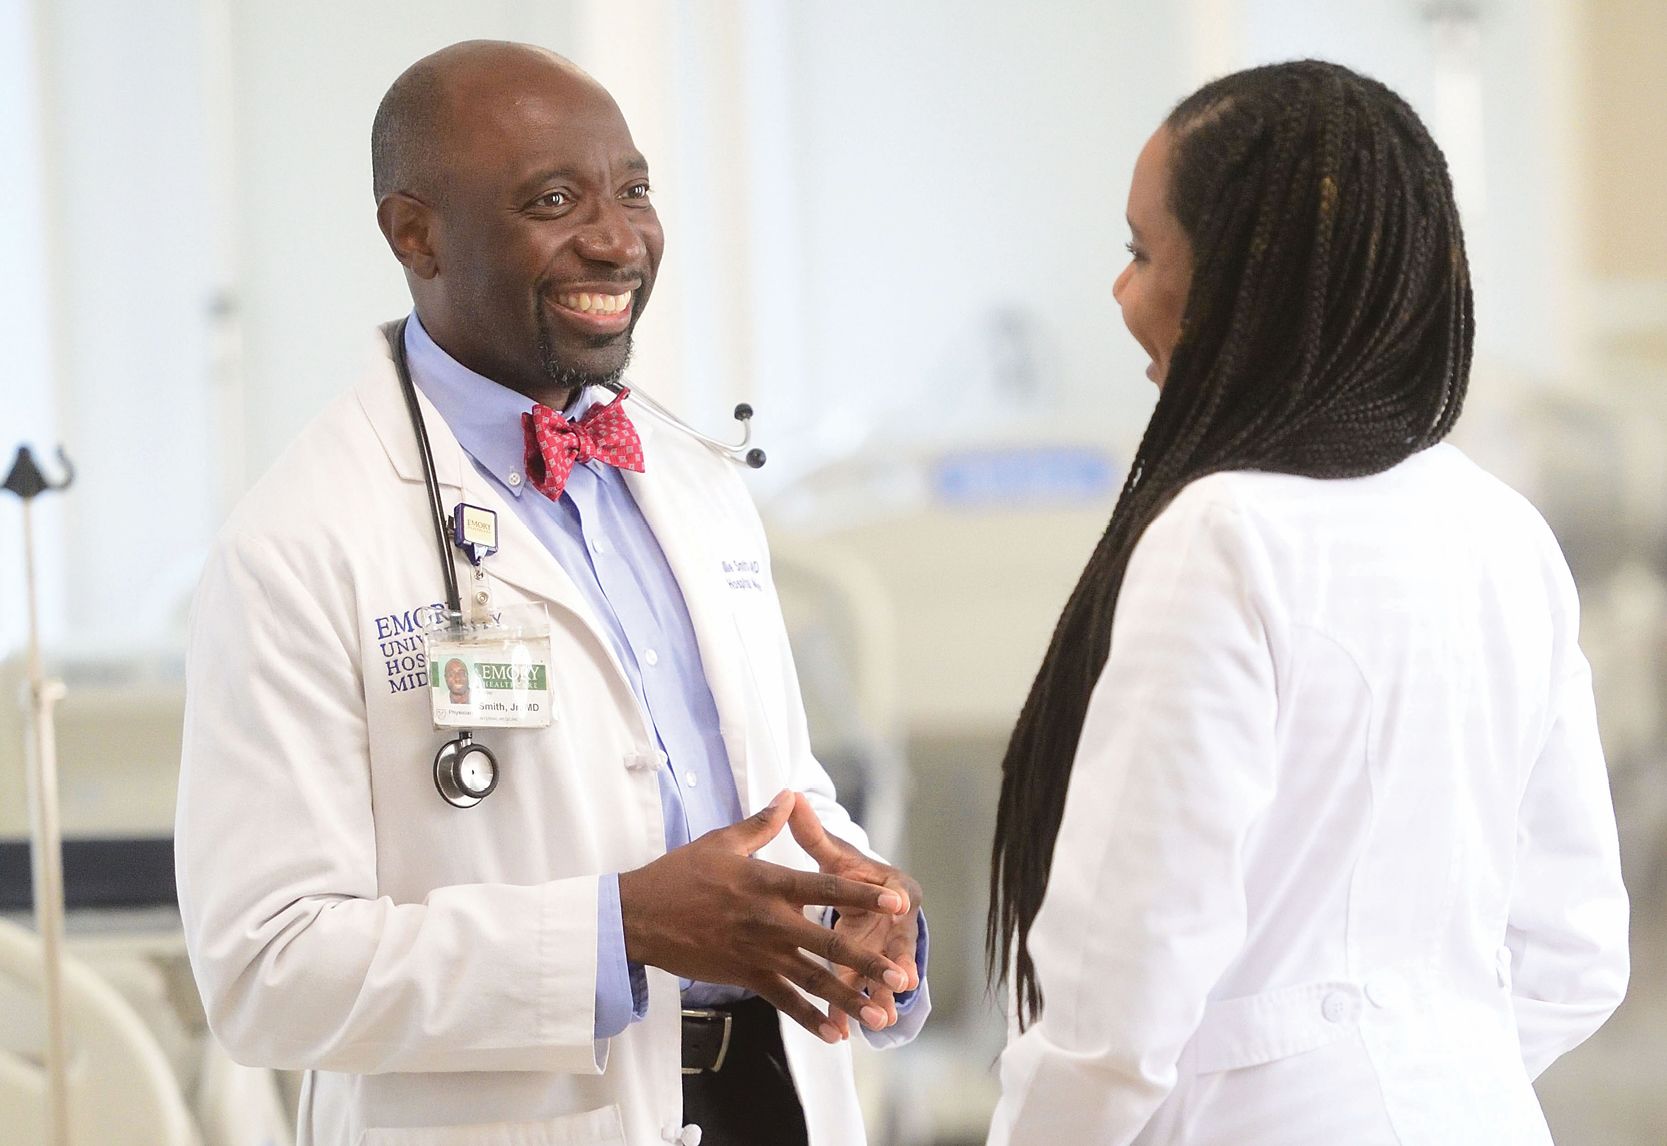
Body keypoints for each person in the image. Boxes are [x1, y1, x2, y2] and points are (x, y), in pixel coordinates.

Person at [175, 40, 928, 1146]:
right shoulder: (299, 544)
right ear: (412, 232)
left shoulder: (693, 483)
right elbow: (265, 967)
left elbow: (775, 790)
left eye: (633, 191)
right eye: (554, 200)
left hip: (770, 1098)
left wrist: (862, 911)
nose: (617, 239)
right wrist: (617, 931)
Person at [985, 60, 1628, 1145]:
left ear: (1244, 282)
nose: (1120, 293)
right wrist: (1412, 1070)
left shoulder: (1221, 533)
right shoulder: (1500, 528)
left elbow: (1117, 1002)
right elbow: (1575, 955)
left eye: (1143, 252)